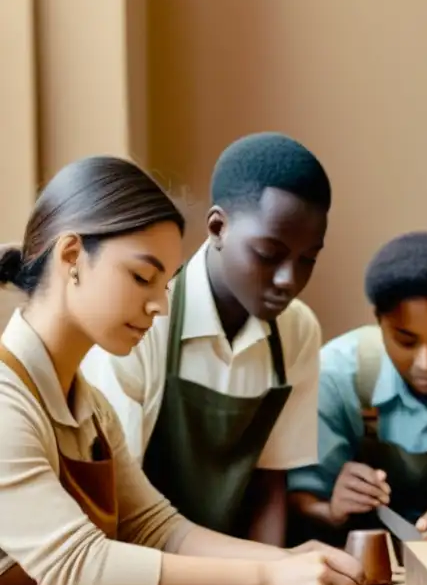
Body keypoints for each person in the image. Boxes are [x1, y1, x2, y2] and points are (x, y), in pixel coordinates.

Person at [0, 156, 363, 585]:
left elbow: (156, 527)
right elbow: (79, 568)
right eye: (142, 278)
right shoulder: (5, 399)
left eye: (166, 284)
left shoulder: (85, 400)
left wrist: (291, 563)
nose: (161, 305)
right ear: (71, 258)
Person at [81, 132, 330, 546]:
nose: (289, 280)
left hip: (234, 571)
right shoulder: (143, 319)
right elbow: (120, 505)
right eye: (269, 254)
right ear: (217, 228)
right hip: (137, 563)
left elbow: (270, 487)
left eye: (308, 260)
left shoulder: (297, 330)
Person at [288, 231, 427, 545]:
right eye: (406, 341)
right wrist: (334, 509)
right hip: (369, 555)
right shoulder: (337, 371)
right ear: (378, 322)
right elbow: (302, 499)